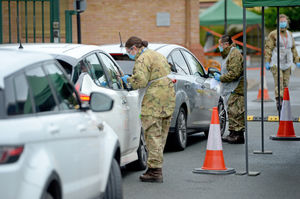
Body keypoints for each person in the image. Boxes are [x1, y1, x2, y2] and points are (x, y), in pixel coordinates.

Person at [121, 36, 175, 183]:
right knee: (161, 135)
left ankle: (155, 171)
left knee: (152, 135)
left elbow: (141, 81)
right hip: (168, 98)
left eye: (128, 51)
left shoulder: (142, 59)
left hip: (153, 100)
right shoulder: (157, 54)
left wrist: (128, 80)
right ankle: (154, 167)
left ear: (134, 48)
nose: (129, 54)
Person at [265, 14, 300, 111]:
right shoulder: (273, 34)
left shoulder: (290, 34)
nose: (283, 23)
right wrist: (267, 61)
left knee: (285, 84)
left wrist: (296, 60)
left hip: (287, 63)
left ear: (287, 22)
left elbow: (293, 49)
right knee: (279, 83)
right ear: (278, 23)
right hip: (276, 63)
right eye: (281, 22)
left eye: (284, 21)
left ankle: (284, 101)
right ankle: (279, 103)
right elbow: (268, 49)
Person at [214, 35, 245, 144]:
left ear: (226, 44)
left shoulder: (234, 54)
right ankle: (232, 133)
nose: (219, 47)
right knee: (232, 111)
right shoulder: (228, 54)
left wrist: (221, 78)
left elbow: (235, 73)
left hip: (236, 88)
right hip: (231, 88)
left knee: (236, 112)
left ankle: (238, 135)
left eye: (220, 44)